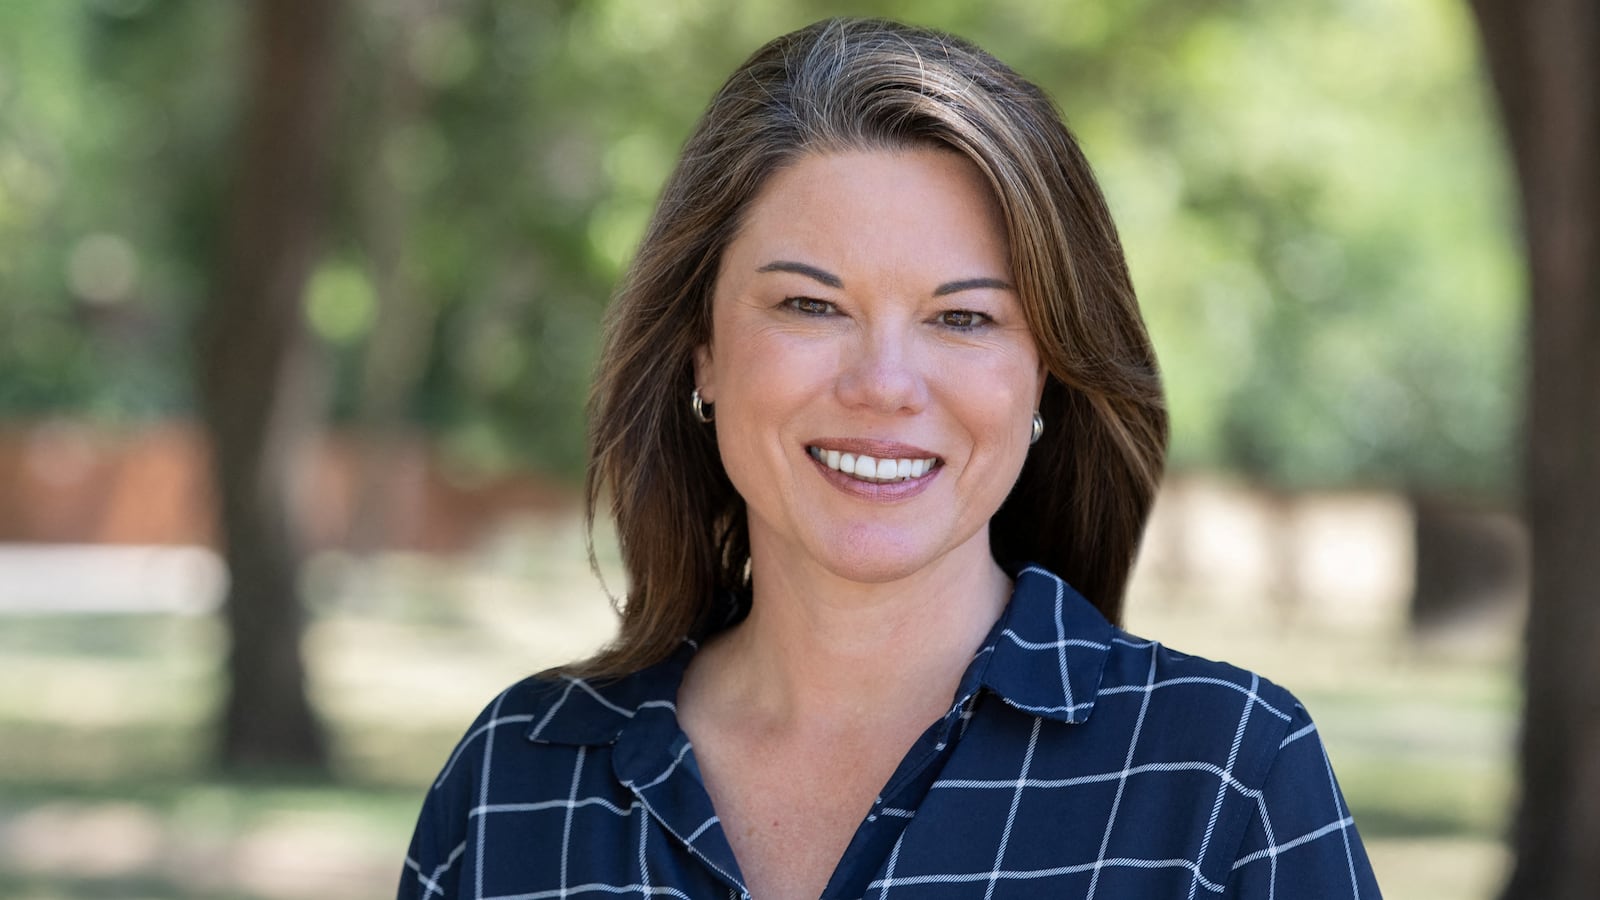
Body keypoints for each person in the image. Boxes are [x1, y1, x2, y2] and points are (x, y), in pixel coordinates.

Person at [399, 17, 1382, 900]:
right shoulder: (514, 784)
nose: (884, 384)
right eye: (810, 305)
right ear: (702, 350)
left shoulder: (1224, 778)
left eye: (963, 318)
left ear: (1045, 372)